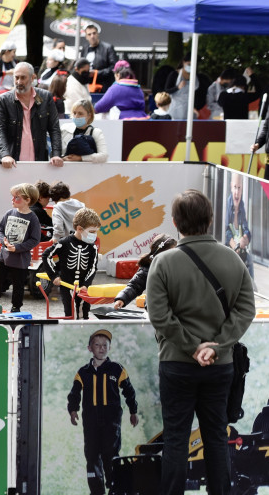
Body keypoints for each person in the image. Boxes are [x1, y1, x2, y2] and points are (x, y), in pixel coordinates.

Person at [147, 189, 255, 495]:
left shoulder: (163, 262)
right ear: (210, 220)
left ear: (174, 222)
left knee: (177, 439)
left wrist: (192, 347)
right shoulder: (232, 259)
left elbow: (159, 315)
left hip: (176, 364)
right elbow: (246, 308)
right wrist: (216, 345)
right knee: (217, 438)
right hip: (220, 366)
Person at [67, 329, 139, 495]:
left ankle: (115, 488)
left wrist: (133, 411)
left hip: (111, 420)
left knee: (110, 454)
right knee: (92, 455)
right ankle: (97, 491)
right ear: (89, 348)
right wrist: (73, 409)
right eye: (97, 345)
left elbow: (129, 391)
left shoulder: (117, 369)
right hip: (91, 420)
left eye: (104, 345)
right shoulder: (83, 372)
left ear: (109, 348)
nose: (101, 348)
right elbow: (74, 393)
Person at [0, 62, 64, 168]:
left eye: (23, 78)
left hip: (39, 162)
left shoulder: (46, 97)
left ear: (32, 78)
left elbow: (54, 128)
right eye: (16, 78)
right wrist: (5, 155)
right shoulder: (3, 100)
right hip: (11, 163)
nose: (19, 82)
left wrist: (56, 154)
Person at [0, 182, 41, 313]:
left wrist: (18, 248)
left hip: (20, 260)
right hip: (3, 256)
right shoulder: (9, 213)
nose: (13, 200)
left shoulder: (33, 218)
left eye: (17, 197)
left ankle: (16, 308)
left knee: (18, 285)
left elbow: (35, 239)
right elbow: (1, 230)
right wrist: (4, 242)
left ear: (27, 200)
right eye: (12, 197)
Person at [41, 208, 101, 319]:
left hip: (84, 288)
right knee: (70, 313)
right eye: (92, 232)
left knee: (84, 313)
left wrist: (86, 285)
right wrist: (54, 276)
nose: (95, 235)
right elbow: (46, 255)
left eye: (96, 232)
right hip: (67, 286)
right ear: (79, 229)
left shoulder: (92, 247)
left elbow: (93, 268)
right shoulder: (64, 243)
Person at [113, 234, 177, 309]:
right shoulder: (148, 267)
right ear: (160, 253)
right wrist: (122, 298)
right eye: (170, 253)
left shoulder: (180, 266)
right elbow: (134, 286)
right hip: (156, 310)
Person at [226, 172, 254, 278]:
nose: (237, 192)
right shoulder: (227, 205)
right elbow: (226, 232)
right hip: (229, 247)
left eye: (239, 188)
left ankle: (251, 288)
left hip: (239, 248)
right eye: (235, 187)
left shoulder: (241, 205)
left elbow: (246, 229)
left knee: (249, 259)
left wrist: (246, 237)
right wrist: (235, 246)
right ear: (231, 187)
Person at [79, 25, 118, 89]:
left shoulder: (108, 48)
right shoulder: (85, 48)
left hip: (104, 86)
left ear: (97, 34)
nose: (92, 36)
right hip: (87, 85)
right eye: (89, 34)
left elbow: (114, 67)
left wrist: (97, 73)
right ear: (86, 37)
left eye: (94, 33)